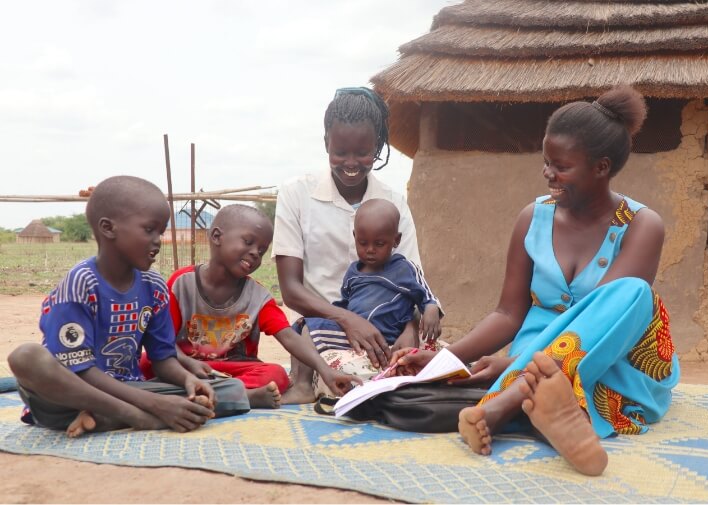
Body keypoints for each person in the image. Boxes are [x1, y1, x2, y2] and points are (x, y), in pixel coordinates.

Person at [389, 85, 680, 476]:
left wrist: (514, 365)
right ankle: (547, 408)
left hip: (612, 364)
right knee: (527, 373)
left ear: (602, 167)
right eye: (546, 162)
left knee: (634, 293)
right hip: (529, 356)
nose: (548, 174)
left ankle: (508, 404)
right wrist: (449, 357)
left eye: (561, 166)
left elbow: (609, 319)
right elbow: (509, 313)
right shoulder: (533, 218)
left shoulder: (642, 225)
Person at [8, 175, 250, 438]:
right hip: (68, 394)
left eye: (161, 231)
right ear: (108, 228)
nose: (158, 240)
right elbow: (82, 372)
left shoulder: (154, 287)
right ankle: (135, 418)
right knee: (25, 358)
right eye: (149, 230)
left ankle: (106, 418)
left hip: (127, 389)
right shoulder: (81, 283)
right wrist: (152, 405)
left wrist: (186, 380)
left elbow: (163, 359)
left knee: (230, 389)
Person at [272, 86, 440, 403]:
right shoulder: (297, 195)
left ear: (377, 146)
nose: (351, 163)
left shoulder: (394, 205)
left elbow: (411, 279)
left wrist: (408, 329)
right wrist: (348, 319)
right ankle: (313, 382)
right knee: (352, 382)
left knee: (434, 366)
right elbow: (291, 290)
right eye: (340, 152)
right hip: (325, 331)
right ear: (326, 144)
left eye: (363, 153)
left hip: (387, 330)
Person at [139, 204, 360, 406]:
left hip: (231, 371)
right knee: (147, 361)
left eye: (262, 251)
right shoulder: (181, 284)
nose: (255, 253)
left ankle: (201, 395)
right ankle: (240, 397)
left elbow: (288, 336)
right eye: (248, 242)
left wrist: (326, 370)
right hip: (184, 366)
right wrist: (186, 363)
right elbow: (164, 342)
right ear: (217, 236)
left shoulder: (258, 296)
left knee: (276, 374)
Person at [299, 198, 441, 395]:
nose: (370, 250)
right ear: (355, 236)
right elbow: (345, 305)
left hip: (387, 335)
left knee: (307, 328)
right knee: (303, 327)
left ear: (396, 240)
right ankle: (300, 383)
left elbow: (426, 295)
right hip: (353, 335)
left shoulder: (404, 268)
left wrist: (431, 309)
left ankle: (307, 385)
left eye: (379, 243)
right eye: (363, 243)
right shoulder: (353, 272)